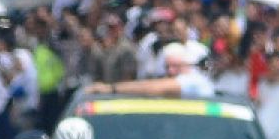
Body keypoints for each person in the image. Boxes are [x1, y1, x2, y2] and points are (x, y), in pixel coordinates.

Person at [85, 42, 214, 98]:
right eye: (167, 67)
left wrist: (110, 89)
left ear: (188, 64)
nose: (170, 71)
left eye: (176, 66)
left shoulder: (194, 80)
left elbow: (153, 87)